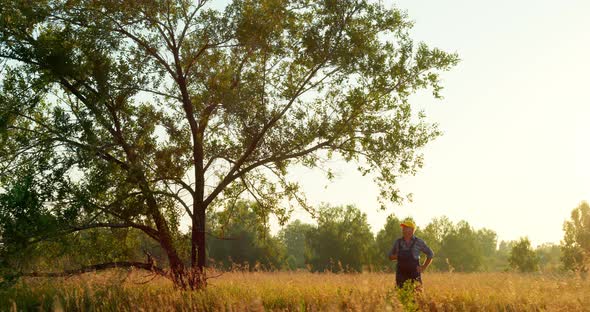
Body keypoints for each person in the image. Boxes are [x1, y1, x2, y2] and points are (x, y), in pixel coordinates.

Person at [388, 219, 434, 289]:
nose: (403, 229)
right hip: (401, 275)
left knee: (417, 295)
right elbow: (390, 256)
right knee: (401, 295)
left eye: (405, 228)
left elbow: (430, 254)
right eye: (403, 228)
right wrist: (398, 256)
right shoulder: (398, 242)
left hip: (414, 274)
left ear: (412, 230)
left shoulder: (419, 242)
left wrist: (423, 267)